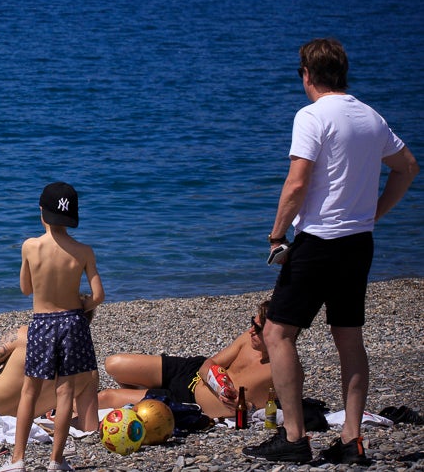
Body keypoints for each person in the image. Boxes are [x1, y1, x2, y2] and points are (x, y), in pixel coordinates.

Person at [244, 39, 417, 467]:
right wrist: (373, 213)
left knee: (278, 334)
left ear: (307, 74)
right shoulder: (370, 117)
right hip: (359, 243)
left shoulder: (312, 115)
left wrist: (276, 235)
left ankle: (295, 436)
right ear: (343, 72)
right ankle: (351, 438)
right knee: (349, 336)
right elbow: (408, 167)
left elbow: (297, 183)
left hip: (319, 241)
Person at [0, 182, 102, 472]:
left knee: (29, 391)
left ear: (42, 212)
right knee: (65, 392)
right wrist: (81, 304)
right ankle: (56, 461)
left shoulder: (31, 246)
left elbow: (25, 288)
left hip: (42, 323)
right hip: (72, 322)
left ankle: (18, 459)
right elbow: (99, 296)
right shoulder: (84, 251)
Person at [98, 298, 275, 418]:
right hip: (189, 371)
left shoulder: (279, 370)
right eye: (253, 323)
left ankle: (140, 395)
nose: (251, 330)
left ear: (275, 333)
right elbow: (209, 363)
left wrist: (246, 407)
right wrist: (220, 383)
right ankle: (141, 392)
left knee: (106, 397)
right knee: (113, 364)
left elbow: (273, 411)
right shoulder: (248, 339)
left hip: (186, 401)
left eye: (258, 329)